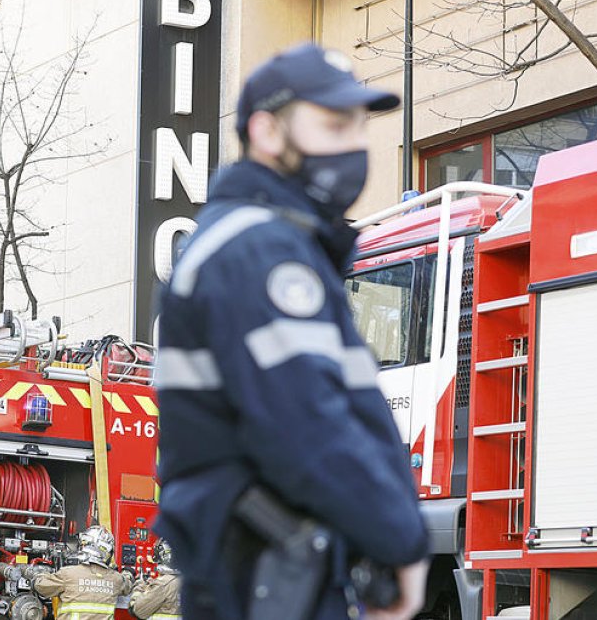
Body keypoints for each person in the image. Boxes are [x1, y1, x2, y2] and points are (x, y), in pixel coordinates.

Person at [154, 43, 430, 620]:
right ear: (266, 131)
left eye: (359, 128)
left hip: (272, 572)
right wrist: (400, 539)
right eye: (333, 125)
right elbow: (307, 426)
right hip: (262, 573)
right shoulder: (260, 250)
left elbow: (347, 411)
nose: (353, 147)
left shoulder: (273, 244)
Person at [31, 525, 132, 620]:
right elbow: (127, 585)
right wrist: (128, 573)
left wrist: (38, 574)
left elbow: (41, 586)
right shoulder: (116, 579)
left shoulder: (68, 574)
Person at [129, 538, 181, 620]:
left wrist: (140, 586)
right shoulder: (191, 582)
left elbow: (136, 611)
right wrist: (152, 585)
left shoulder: (162, 585)